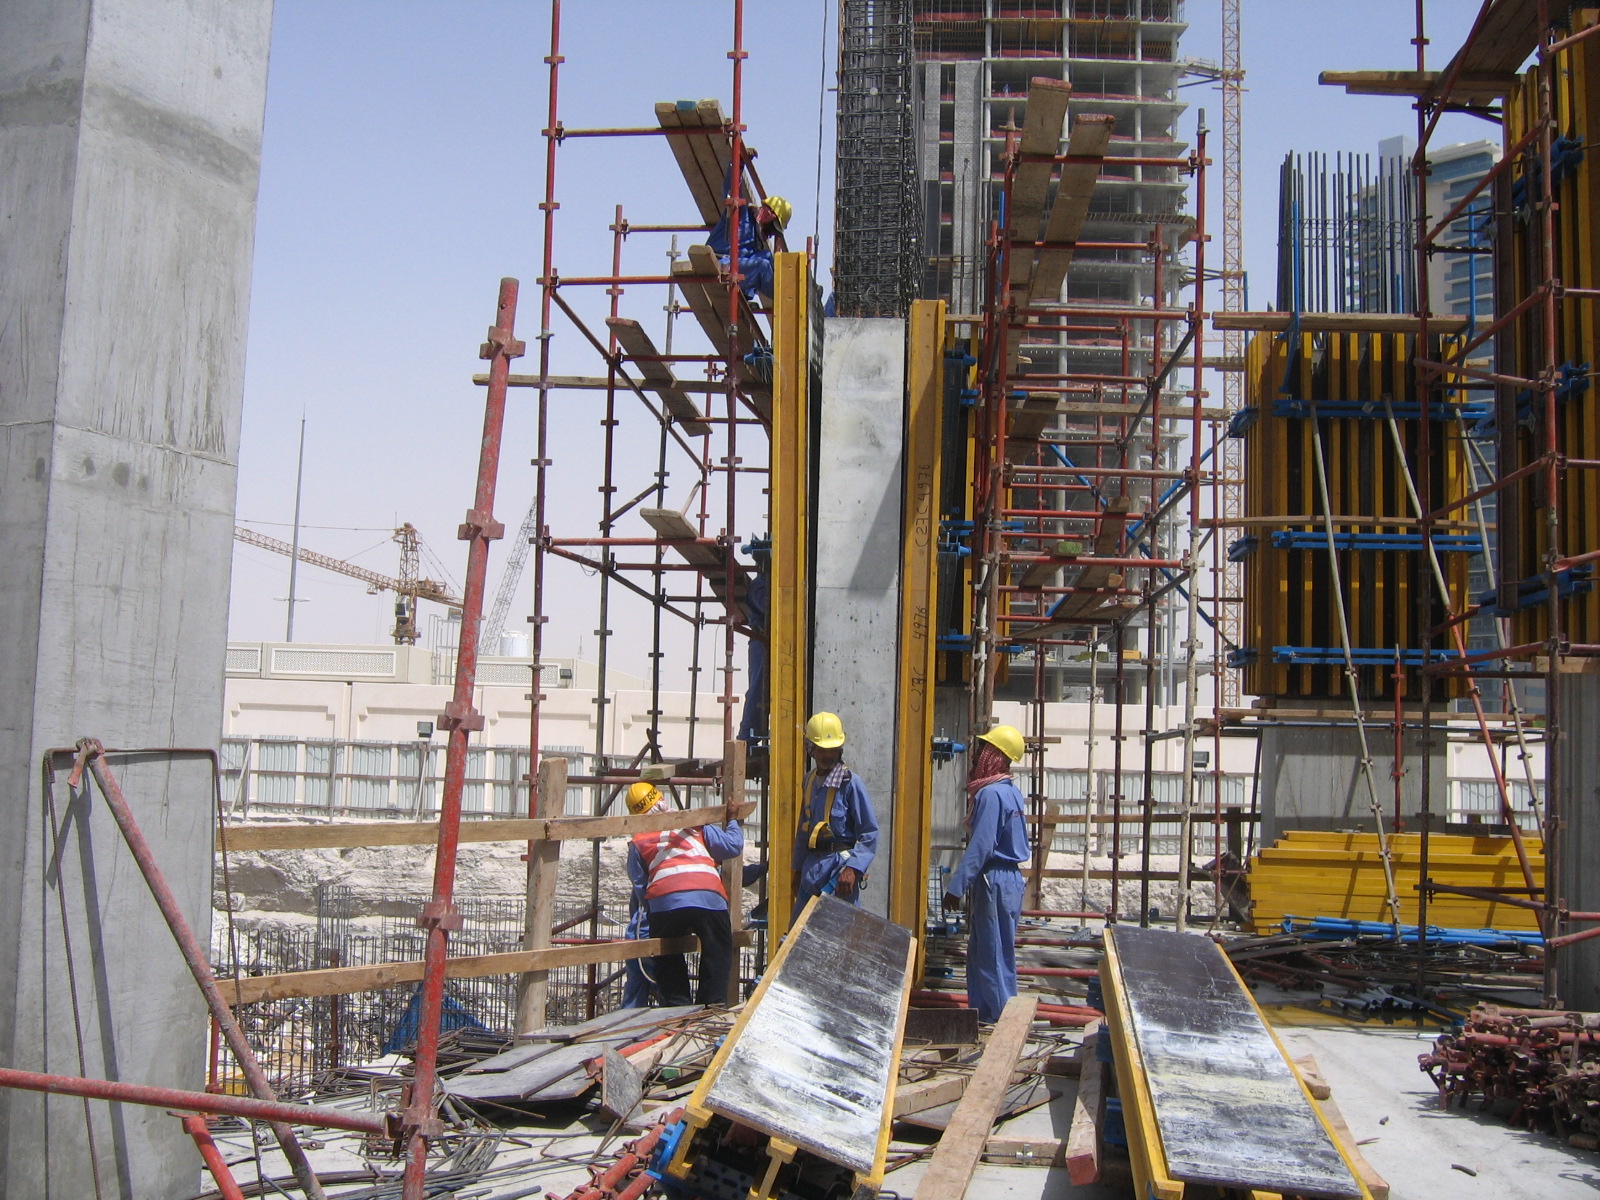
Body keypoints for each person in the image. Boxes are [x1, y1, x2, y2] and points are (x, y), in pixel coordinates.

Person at [626, 781, 743, 1006]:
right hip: (708, 895)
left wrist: (654, 911)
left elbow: (640, 885)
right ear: (661, 799)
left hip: (665, 900)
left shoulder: (638, 840)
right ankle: (711, 1007)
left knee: (667, 957)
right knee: (718, 949)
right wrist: (732, 821)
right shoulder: (693, 823)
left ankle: (676, 1009)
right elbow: (732, 846)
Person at [943, 724, 1031, 1023]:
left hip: (994, 878)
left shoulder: (991, 795)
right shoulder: (1010, 792)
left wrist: (956, 887)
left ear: (996, 755)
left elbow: (981, 846)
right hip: (1006, 880)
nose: (976, 755)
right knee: (987, 950)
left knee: (992, 953)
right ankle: (983, 1014)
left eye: (982, 749)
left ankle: (1000, 1019)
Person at [792, 711, 879, 919]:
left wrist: (853, 869)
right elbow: (804, 830)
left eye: (832, 750)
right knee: (799, 937)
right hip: (811, 872)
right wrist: (796, 869)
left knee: (837, 939)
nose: (828, 756)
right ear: (810, 749)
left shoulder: (850, 783)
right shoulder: (810, 781)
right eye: (822, 750)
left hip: (838, 876)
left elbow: (870, 832)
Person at [706, 174, 791, 302]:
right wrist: (740, 163)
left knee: (766, 255)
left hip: (735, 267)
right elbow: (730, 189)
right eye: (773, 228)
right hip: (721, 263)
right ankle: (789, 297)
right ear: (767, 216)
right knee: (762, 266)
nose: (772, 234)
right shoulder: (740, 213)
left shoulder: (756, 240)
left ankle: (794, 286)